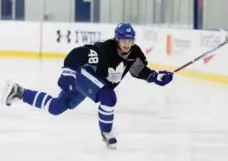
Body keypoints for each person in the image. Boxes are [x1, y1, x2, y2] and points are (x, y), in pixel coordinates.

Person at [2, 22, 174, 149]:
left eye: (130, 41)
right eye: (123, 40)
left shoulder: (134, 53)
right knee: (108, 97)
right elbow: (78, 53)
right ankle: (107, 132)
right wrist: (68, 71)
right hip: (85, 77)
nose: (127, 44)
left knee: (55, 108)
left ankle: (20, 92)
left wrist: (155, 76)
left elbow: (139, 70)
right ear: (116, 39)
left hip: (93, 85)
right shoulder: (104, 50)